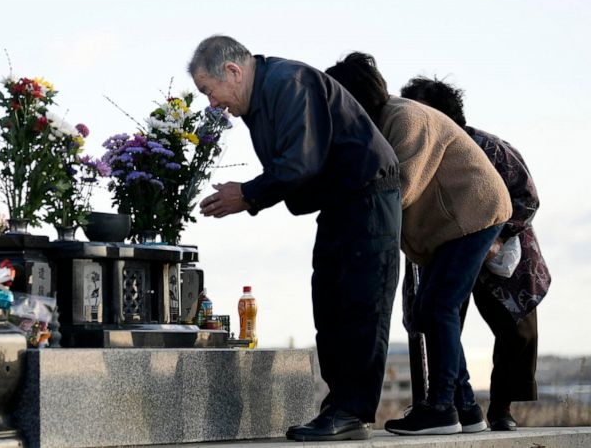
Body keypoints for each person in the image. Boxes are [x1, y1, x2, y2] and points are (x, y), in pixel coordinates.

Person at [189, 36, 401, 441]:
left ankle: (351, 412)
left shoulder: (289, 83)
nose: (212, 104)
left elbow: (301, 162)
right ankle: (338, 408)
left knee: (360, 304)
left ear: (232, 72)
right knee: (329, 302)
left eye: (208, 91)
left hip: (368, 196)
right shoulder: (258, 99)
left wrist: (246, 194)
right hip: (338, 203)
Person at [325, 53, 511, 435]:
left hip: (474, 211)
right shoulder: (378, 126)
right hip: (451, 223)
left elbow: (399, 188)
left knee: (438, 306)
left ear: (354, 98)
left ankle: (442, 407)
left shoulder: (404, 117)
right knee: (432, 309)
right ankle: (467, 408)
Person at [401, 76, 550, 431]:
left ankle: (501, 407)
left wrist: (497, 237)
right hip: (443, 251)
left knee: (519, 331)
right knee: (437, 321)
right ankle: (453, 403)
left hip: (499, 249)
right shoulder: (412, 151)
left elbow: (527, 198)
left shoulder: (492, 147)